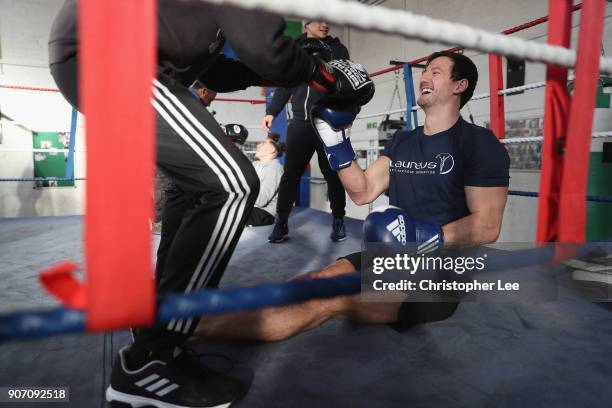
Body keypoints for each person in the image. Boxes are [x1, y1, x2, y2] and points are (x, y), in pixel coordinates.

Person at [48, 1, 374, 407]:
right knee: (232, 183)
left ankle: (155, 334)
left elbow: (224, 71)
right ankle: (150, 359)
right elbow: (265, 48)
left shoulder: (186, 22)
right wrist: (322, 75)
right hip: (109, 55)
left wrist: (300, 63)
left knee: (194, 188)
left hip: (116, 57)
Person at [194, 50, 510, 342]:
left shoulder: (478, 143)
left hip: (436, 274)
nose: (425, 77)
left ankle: (186, 333)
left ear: (460, 86)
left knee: (327, 300)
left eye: (437, 72)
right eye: (425, 71)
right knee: (314, 280)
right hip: (390, 254)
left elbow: (487, 225)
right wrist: (336, 142)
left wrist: (422, 237)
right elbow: (362, 191)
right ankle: (200, 320)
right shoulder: (404, 141)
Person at [263, 20, 351, 243]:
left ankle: (338, 220)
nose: (325, 24)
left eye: (327, 20)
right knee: (291, 175)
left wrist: (349, 111)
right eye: (319, 20)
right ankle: (281, 223)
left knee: (333, 173)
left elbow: (347, 82)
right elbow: (286, 84)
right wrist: (272, 111)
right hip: (301, 122)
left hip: (328, 122)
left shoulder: (338, 49)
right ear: (307, 23)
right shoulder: (295, 48)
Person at [246, 132, 285, 227]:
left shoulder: (274, 168)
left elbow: (261, 201)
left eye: (263, 143)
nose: (258, 145)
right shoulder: (255, 164)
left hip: (264, 213)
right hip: (250, 207)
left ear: (272, 149)